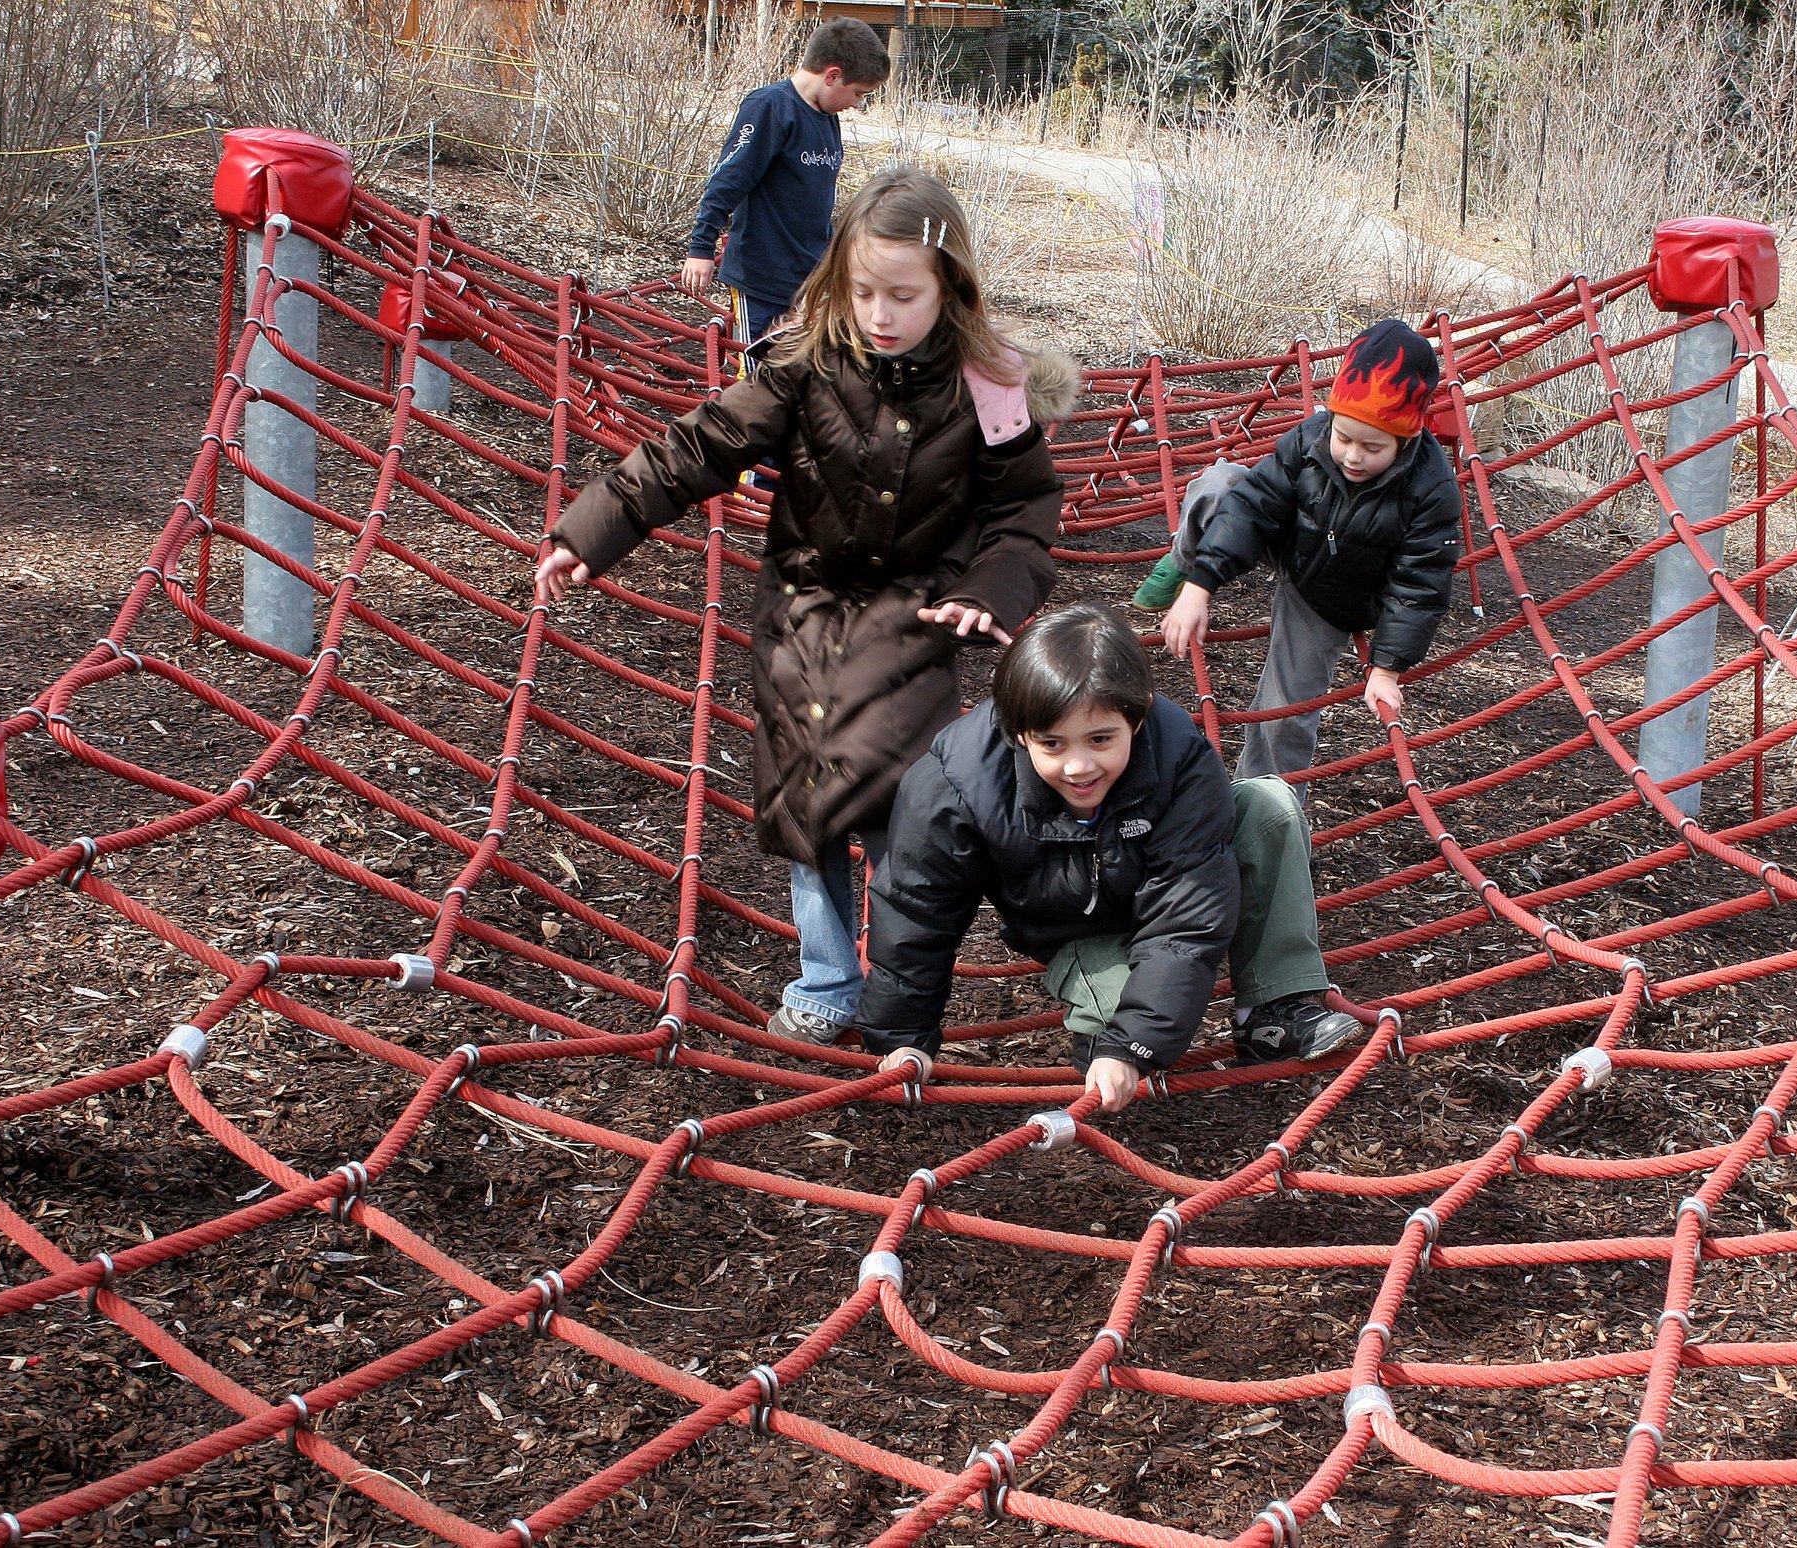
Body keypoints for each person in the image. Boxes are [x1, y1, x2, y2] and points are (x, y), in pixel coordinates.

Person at [538, 169, 1077, 1046]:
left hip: (916, 612)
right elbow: (699, 447)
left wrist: (989, 591)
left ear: (951, 289)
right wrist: (589, 533)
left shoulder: (987, 385)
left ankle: (897, 991)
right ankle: (828, 980)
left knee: (896, 798)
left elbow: (1025, 513)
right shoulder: (804, 358)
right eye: (863, 290)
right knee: (805, 798)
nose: (880, 313)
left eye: (904, 294)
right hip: (802, 604)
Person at [855, 604, 1366, 1113]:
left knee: (1267, 805)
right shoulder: (957, 783)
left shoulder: (1179, 758)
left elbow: (1187, 907)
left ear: (1138, 716)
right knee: (1117, 1024)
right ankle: (1100, 1018)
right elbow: (917, 908)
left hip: (1161, 900)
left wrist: (1135, 1042)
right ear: (1018, 731)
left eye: (1101, 740)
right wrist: (903, 1036)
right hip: (1073, 927)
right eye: (1052, 745)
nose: (1079, 766)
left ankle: (1274, 1007)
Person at [1131, 319, 1461, 783]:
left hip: (1334, 590)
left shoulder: (1430, 488)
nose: (1351, 456)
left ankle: (1264, 809)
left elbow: (1420, 583)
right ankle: (1184, 562)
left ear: (1406, 439)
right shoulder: (1310, 438)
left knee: (1284, 709)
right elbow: (1254, 506)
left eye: (1372, 447)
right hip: (1294, 538)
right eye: (1344, 437)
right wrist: (1200, 585)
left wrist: (1386, 668)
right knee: (1220, 483)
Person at [679, 19, 891, 347]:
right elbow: (729, 179)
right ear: (832, 75)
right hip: (762, 275)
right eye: (858, 92)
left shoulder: (827, 117)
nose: (857, 103)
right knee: (757, 373)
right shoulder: (770, 107)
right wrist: (700, 247)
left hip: (807, 275)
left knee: (801, 368)